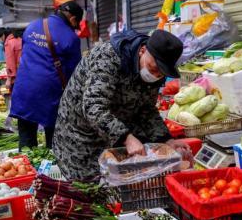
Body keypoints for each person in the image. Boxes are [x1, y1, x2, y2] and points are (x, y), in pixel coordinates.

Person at [53, 29, 192, 180]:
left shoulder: (154, 73)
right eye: (153, 68)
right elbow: (93, 107)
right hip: (80, 139)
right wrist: (127, 138)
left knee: (114, 185)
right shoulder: (107, 58)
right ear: (142, 51)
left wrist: (166, 139)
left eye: (161, 73)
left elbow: (146, 110)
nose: (156, 75)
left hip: (112, 139)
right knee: (89, 189)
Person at [9, 1, 83, 149]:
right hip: (50, 95)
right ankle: (50, 170)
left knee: (26, 143)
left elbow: (27, 55)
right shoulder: (71, 38)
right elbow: (75, 74)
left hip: (24, 90)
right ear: (73, 19)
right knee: (53, 144)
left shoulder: (32, 27)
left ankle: (28, 168)